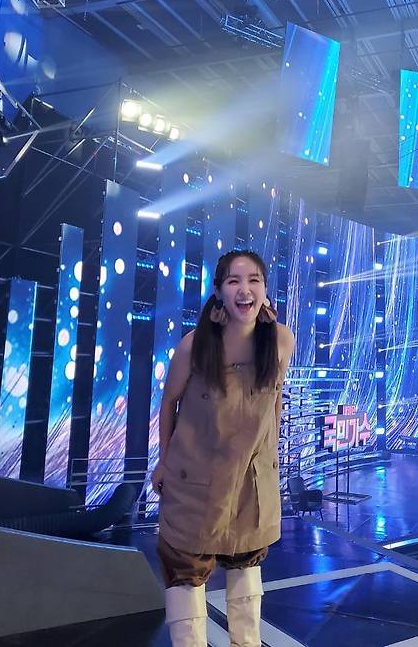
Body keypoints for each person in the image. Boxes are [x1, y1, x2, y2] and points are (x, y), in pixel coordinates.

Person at [151, 250, 295, 646]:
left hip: (251, 480)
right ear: (218, 292)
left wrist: (270, 458)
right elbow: (169, 402)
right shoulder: (194, 346)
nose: (244, 289)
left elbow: (274, 401)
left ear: (265, 289)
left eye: (253, 280)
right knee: (185, 572)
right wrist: (163, 461)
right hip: (195, 478)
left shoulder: (281, 342)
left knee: (247, 566)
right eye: (233, 281)